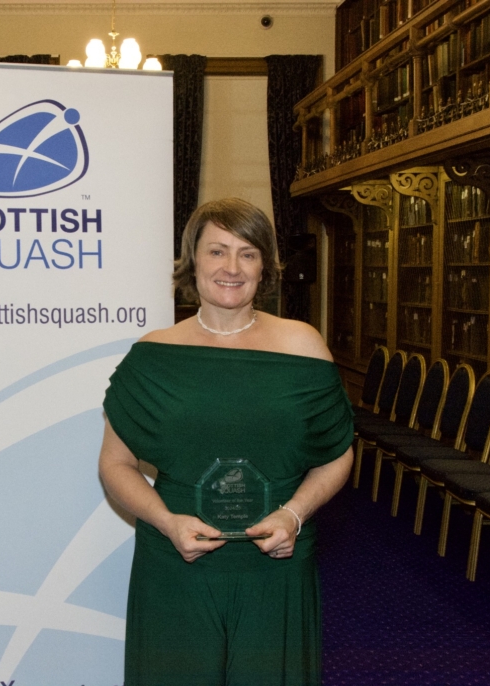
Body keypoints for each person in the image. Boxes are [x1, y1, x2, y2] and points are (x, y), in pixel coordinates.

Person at [99, 197, 354, 686]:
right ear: (193, 261)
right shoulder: (152, 356)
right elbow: (115, 464)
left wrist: (294, 515)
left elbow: (337, 453)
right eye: (217, 251)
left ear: (265, 267)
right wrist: (166, 522)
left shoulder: (304, 346)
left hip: (278, 559)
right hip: (176, 558)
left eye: (247, 253)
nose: (231, 268)